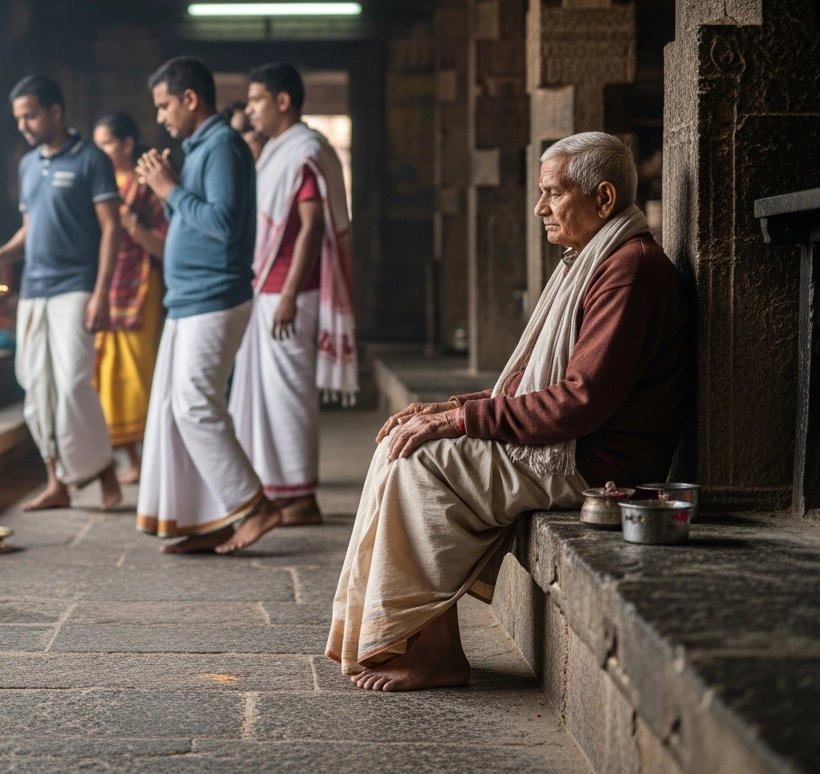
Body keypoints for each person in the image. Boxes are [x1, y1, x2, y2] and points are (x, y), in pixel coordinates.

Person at [329, 132, 688, 692]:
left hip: (597, 462)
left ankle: (438, 652)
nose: (541, 208)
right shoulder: (592, 261)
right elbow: (532, 388)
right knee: (402, 440)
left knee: (419, 463)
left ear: (604, 196)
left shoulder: (630, 269)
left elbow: (579, 401)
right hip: (576, 442)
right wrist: (450, 407)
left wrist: (460, 421)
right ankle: (416, 637)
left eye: (553, 194)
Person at [134, 56, 283, 554]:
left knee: (196, 404)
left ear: (190, 99)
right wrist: (173, 184)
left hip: (214, 296)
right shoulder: (199, 148)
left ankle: (256, 507)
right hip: (189, 300)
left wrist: (168, 189)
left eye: (164, 105)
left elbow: (223, 223)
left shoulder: (222, 146)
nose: (161, 117)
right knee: (179, 409)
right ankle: (213, 517)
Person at [0, 75, 123, 512]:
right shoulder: (27, 165)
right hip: (35, 289)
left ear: (56, 112)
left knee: (75, 383)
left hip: (76, 287)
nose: (23, 124)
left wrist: (102, 294)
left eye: (31, 114)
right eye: (18, 117)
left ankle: (105, 472)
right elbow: (31, 227)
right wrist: (2, 254)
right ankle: (55, 481)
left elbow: (112, 227)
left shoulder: (92, 160)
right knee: (35, 385)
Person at [230, 63, 358, 527]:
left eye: (256, 100)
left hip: (291, 292)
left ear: (283, 101)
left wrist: (285, 295)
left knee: (288, 397)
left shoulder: (304, 150)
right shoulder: (277, 151)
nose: (250, 110)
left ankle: (300, 497)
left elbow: (311, 227)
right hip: (267, 289)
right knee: (266, 397)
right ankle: (279, 493)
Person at [92, 112, 168, 485]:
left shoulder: (146, 186)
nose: (102, 151)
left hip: (139, 285)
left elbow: (167, 245)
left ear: (126, 144)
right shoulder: (97, 183)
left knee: (139, 374)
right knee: (107, 375)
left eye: (107, 142)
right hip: (105, 286)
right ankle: (129, 457)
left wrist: (130, 223)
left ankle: (149, 458)